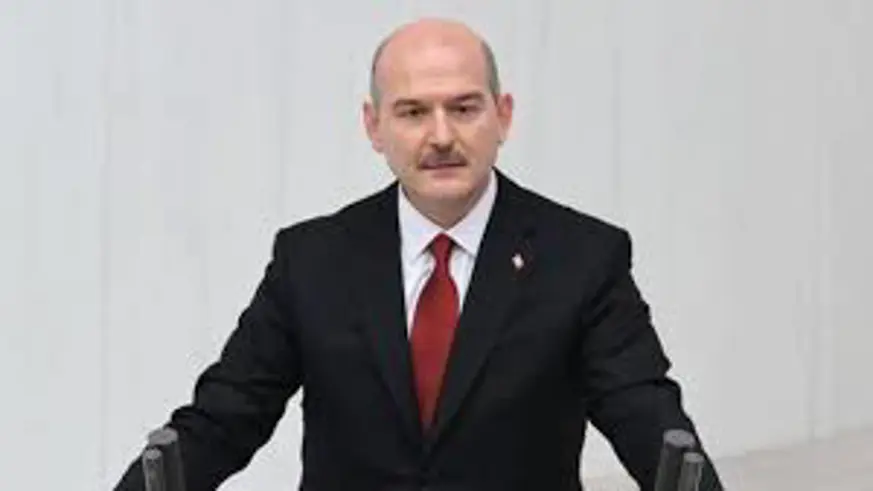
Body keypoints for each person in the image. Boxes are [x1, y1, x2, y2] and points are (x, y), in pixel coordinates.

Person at [116, 17, 723, 491]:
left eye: (464, 108)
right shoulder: (313, 260)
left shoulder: (583, 258)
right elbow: (225, 417)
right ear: (374, 126)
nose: (441, 136)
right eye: (412, 112)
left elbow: (646, 416)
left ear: (503, 116)